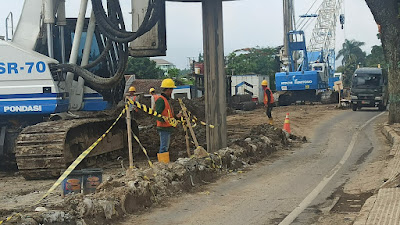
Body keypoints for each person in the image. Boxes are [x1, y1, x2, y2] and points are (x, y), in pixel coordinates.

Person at [155, 78, 181, 163]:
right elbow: (157, 115)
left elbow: (168, 115)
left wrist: (176, 117)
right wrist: (165, 120)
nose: (172, 91)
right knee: (164, 147)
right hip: (163, 127)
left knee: (165, 146)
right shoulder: (161, 100)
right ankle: (163, 164)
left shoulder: (166, 100)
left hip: (167, 127)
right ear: (168, 89)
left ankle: (164, 164)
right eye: (172, 89)